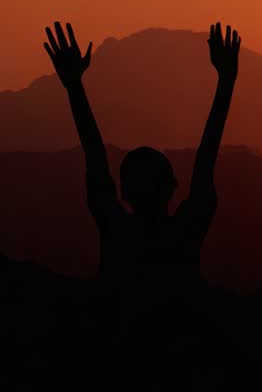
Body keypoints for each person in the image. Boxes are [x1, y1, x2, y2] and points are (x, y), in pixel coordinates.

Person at [44, 19, 240, 381]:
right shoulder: (182, 235)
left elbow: (95, 160)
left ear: (125, 191)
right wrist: (226, 83)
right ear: (172, 187)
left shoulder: (119, 233)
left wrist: (74, 87)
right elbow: (206, 162)